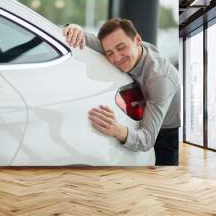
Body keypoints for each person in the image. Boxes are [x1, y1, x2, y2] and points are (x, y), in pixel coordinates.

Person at [63, 18, 180, 165]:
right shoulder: (124, 46)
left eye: (121, 48)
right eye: (109, 53)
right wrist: (72, 27)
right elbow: (85, 38)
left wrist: (116, 129)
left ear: (138, 40)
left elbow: (147, 140)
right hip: (141, 116)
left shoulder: (160, 78)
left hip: (166, 133)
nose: (116, 58)